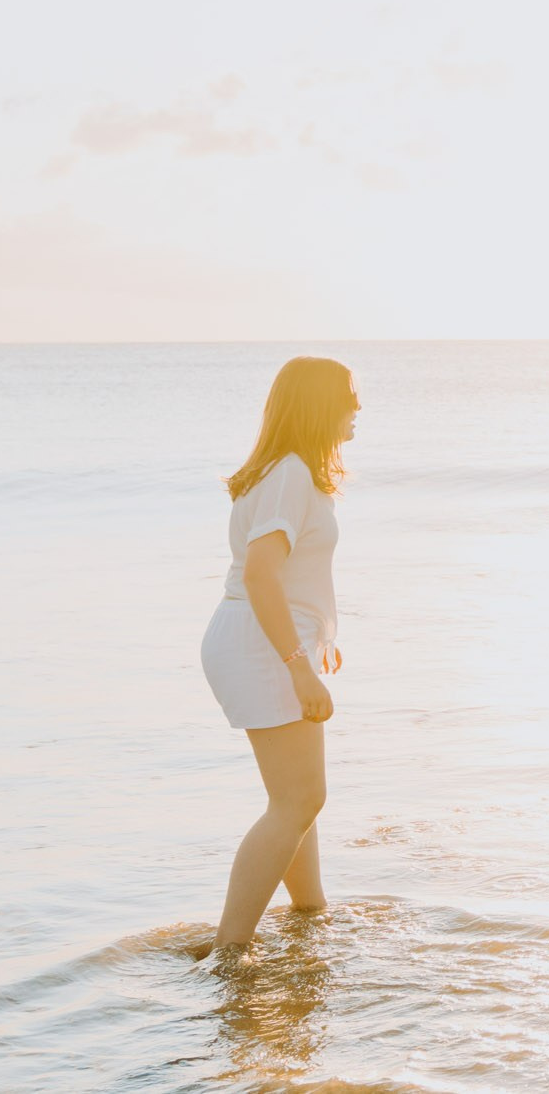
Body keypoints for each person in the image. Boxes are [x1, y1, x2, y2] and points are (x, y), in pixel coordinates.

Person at [198, 356, 359, 964]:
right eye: (349, 396)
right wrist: (297, 662)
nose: (358, 408)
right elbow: (262, 572)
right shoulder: (291, 473)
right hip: (263, 644)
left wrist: (318, 637)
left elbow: (284, 573)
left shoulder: (283, 472)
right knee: (299, 799)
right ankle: (228, 952)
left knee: (296, 795)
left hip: (258, 636)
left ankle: (309, 913)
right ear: (320, 405)